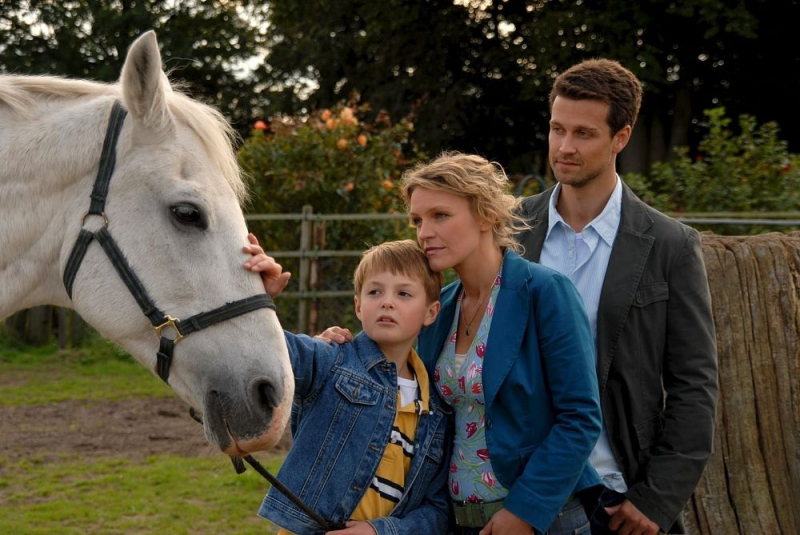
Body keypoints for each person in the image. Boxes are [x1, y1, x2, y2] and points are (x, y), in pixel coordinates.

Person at [305, 152, 603, 535]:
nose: (424, 232)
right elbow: (377, 372)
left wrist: (525, 513)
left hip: (545, 521)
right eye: (417, 220)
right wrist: (329, 349)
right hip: (458, 521)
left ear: (485, 215)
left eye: (440, 215)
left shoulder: (545, 292)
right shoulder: (439, 307)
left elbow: (580, 417)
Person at [518, 59, 719, 534]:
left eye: (584, 134)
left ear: (621, 137)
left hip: (613, 497)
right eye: (556, 129)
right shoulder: (509, 228)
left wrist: (656, 499)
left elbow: (695, 386)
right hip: (513, 489)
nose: (564, 147)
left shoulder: (670, 246)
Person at [243, 239, 452, 535]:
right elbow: (268, 352)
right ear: (358, 306)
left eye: (403, 293)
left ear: (431, 313)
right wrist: (258, 299)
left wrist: (381, 531)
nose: (387, 302)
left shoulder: (438, 411)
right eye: (375, 291)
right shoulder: (332, 359)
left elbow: (438, 510)